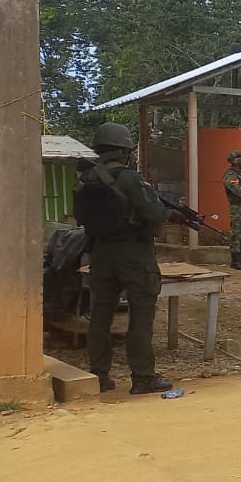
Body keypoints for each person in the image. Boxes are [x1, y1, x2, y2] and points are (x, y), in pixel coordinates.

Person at [72, 122, 181, 395]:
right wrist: (170, 214)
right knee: (141, 315)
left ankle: (99, 376)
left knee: (100, 316)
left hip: (100, 253)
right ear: (123, 151)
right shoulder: (130, 178)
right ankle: (142, 378)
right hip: (133, 253)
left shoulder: (85, 180)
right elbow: (153, 213)